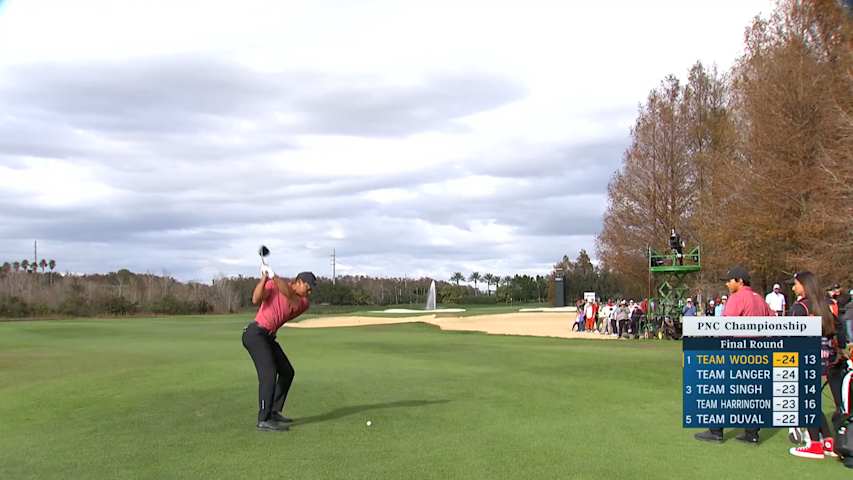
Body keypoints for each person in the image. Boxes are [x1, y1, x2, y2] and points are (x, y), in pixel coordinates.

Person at [695, 266, 774, 444]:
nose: (728, 284)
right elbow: (773, 320)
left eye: (730, 280)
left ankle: (716, 431)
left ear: (739, 281)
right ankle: (752, 433)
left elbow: (727, 326)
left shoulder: (737, 297)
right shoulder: (759, 298)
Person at [242, 270, 317, 431]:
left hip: (268, 338)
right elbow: (255, 298)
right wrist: (264, 279)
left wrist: (274, 276)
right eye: (308, 288)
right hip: (255, 334)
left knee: (287, 372)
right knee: (269, 374)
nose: (310, 293)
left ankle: (274, 411)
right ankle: (264, 419)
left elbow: (290, 296)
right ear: (298, 281)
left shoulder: (302, 302)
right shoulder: (274, 285)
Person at [789, 272, 849, 459]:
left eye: (796, 284)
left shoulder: (801, 307)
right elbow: (840, 333)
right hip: (828, 359)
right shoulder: (828, 305)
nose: (793, 288)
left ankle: (815, 443)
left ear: (804, 285)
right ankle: (828, 441)